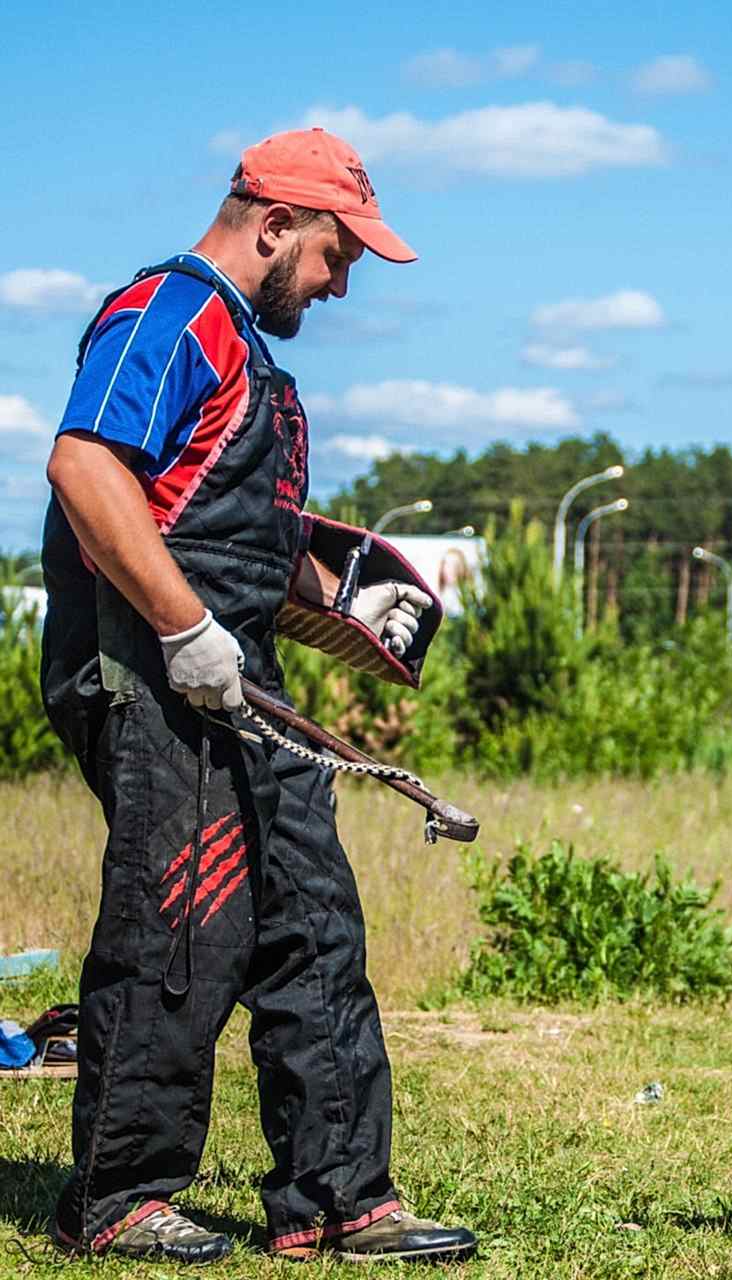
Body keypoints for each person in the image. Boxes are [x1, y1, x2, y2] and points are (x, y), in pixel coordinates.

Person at [40, 128, 477, 1265]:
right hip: (147, 670)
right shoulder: (162, 313)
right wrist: (185, 631)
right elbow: (87, 470)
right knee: (182, 922)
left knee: (312, 924)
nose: (343, 285)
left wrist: (348, 598)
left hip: (237, 678)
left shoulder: (254, 357)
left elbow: (235, 533)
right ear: (274, 223)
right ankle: (119, 1194)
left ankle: (339, 1199)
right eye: (338, 257)